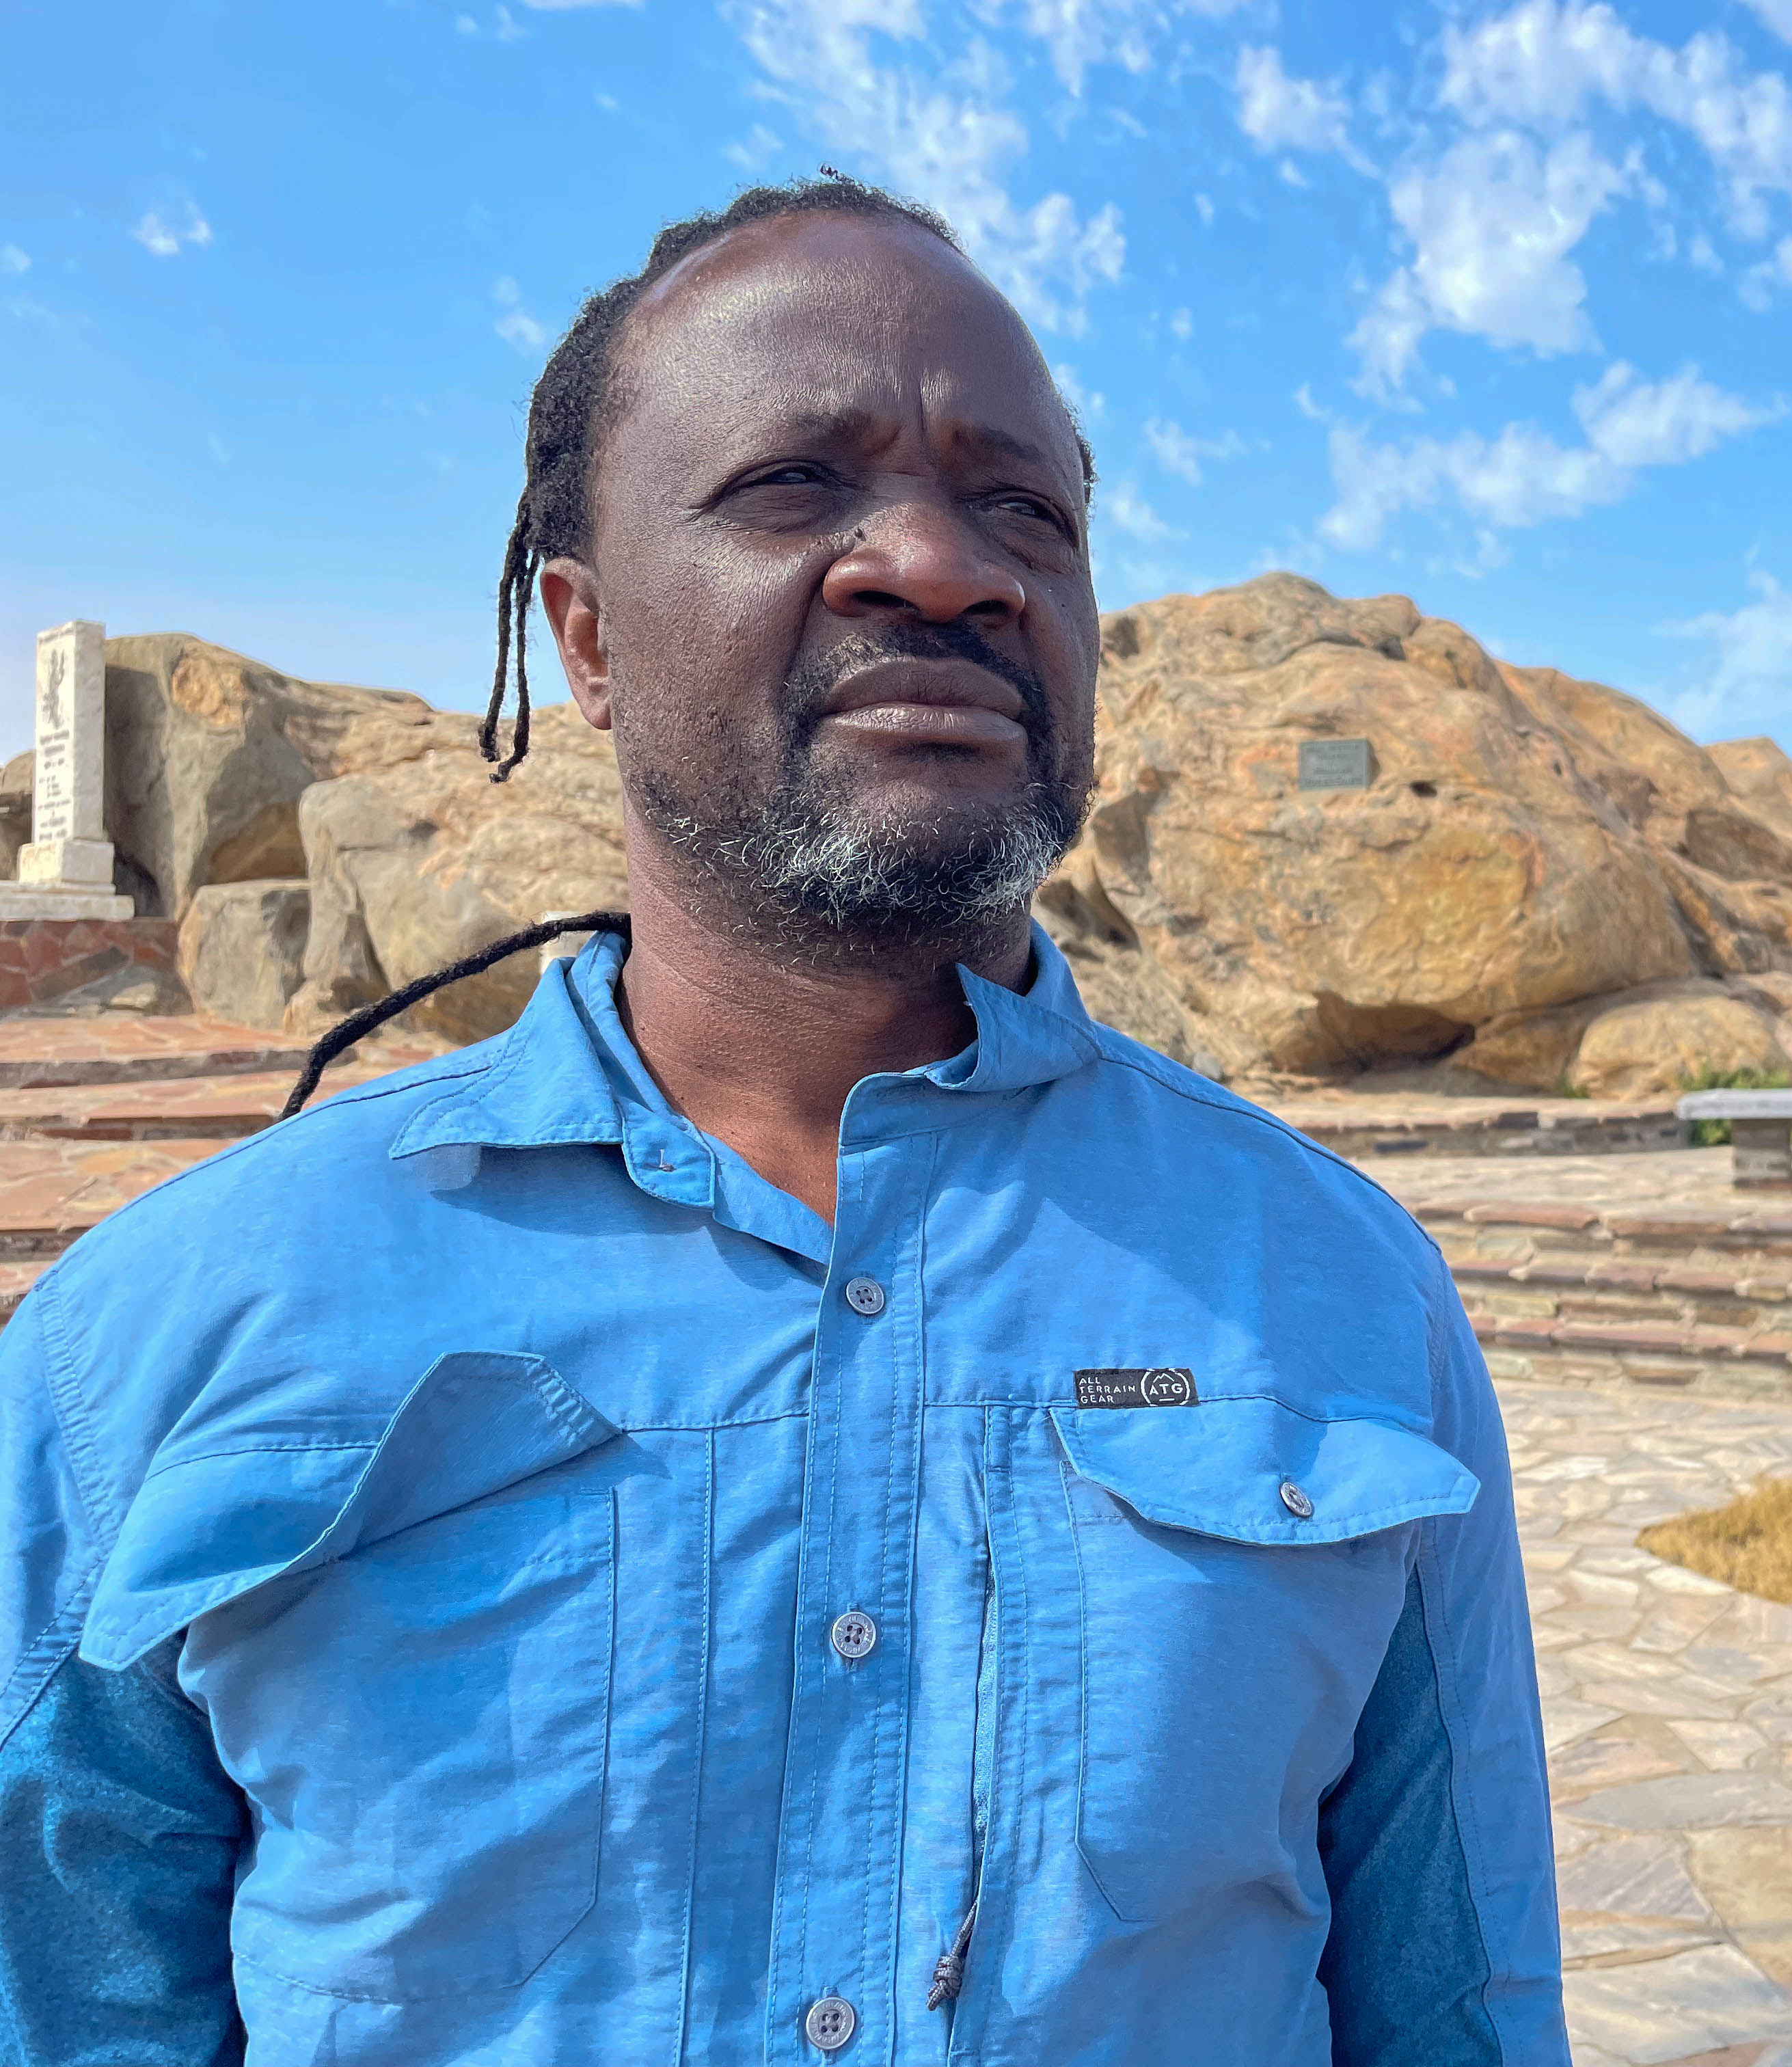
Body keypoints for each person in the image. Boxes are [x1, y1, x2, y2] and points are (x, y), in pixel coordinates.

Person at [0, 175, 1566, 2067]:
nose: (939, 561)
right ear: (582, 638)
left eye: (1024, 509)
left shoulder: (1340, 1295)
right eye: (793, 487)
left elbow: (1454, 2012)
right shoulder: (157, 1340)